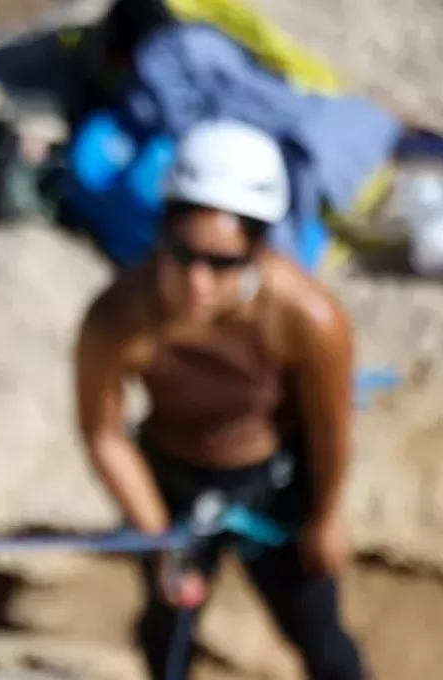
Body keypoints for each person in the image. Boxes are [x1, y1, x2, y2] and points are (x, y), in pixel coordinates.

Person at [73, 120, 365, 680]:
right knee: (168, 637)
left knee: (322, 642)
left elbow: (330, 428)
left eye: (222, 262)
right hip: (174, 489)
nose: (197, 282)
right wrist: (158, 536)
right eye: (182, 255)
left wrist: (326, 516)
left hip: (277, 491)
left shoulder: (307, 319)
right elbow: (103, 431)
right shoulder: (118, 317)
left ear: (257, 250)